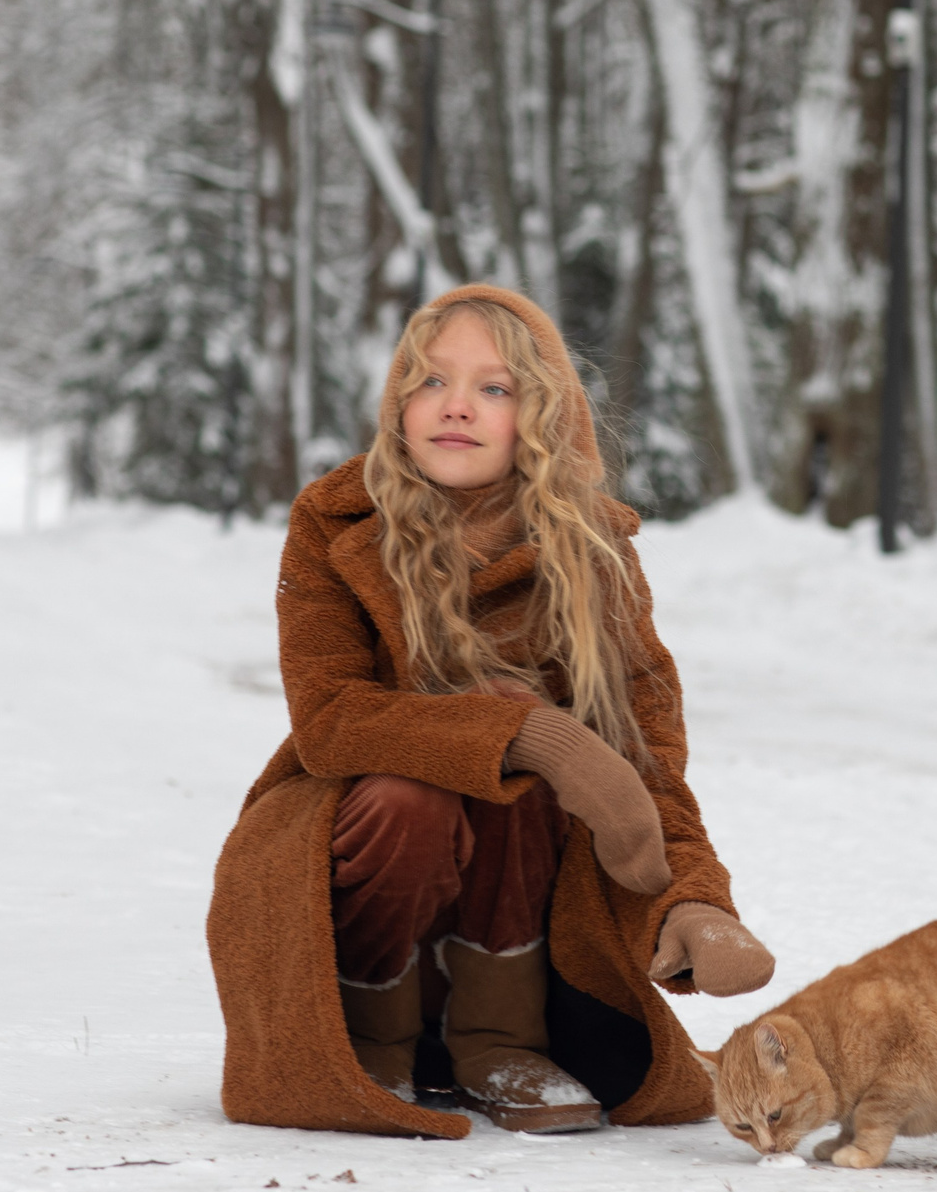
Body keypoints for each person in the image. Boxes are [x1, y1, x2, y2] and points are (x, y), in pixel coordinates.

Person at [208, 284, 775, 1139]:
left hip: (526, 892)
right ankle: (371, 1032)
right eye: (431, 381)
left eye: (495, 388)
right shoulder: (336, 522)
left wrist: (693, 904)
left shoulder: (594, 554)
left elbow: (645, 765)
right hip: (351, 844)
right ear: (399, 401)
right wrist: (531, 733)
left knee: (532, 746)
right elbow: (330, 718)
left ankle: (498, 1039)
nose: (457, 406)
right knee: (444, 769)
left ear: (541, 415)